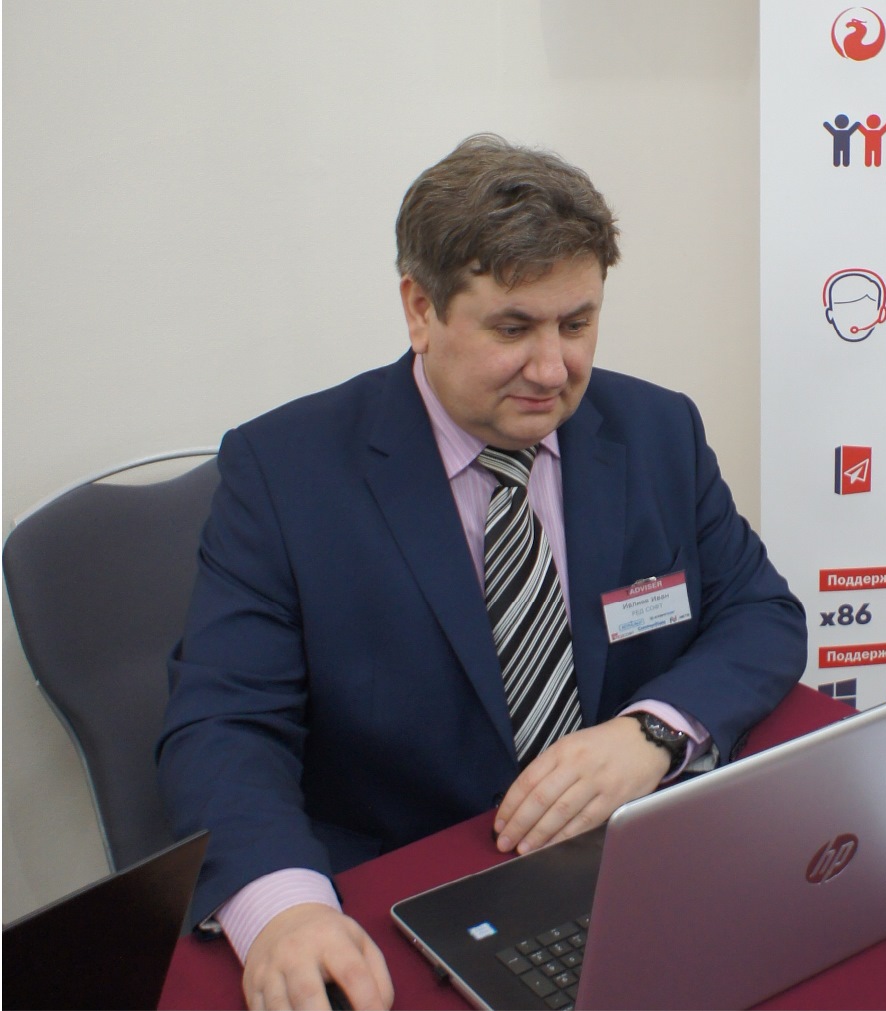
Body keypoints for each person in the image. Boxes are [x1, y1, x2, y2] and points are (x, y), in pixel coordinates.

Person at [157, 134, 808, 1011]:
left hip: (628, 866)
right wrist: (284, 909)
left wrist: (650, 734)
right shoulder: (284, 472)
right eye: (513, 327)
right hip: (403, 895)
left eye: (576, 323)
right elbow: (225, 722)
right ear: (420, 309)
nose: (553, 368)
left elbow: (760, 613)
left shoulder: (658, 430)